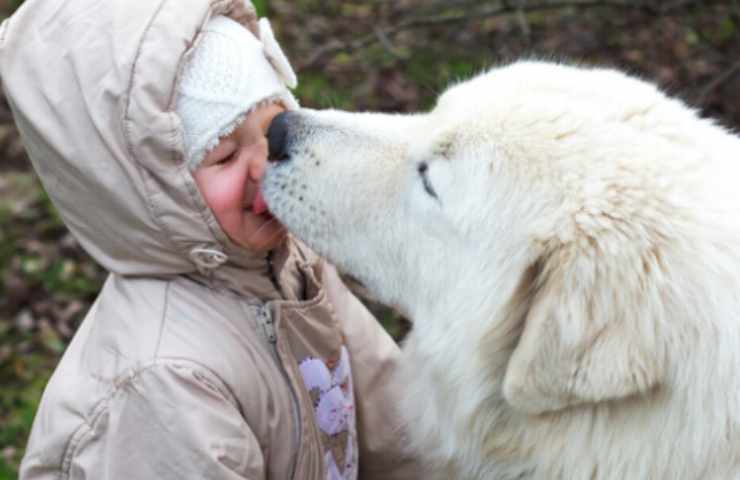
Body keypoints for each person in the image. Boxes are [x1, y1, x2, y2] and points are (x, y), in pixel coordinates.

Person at [0, 1, 420, 478]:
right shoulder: (161, 383)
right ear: (142, 190)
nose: (263, 166)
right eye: (222, 156)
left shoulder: (294, 264)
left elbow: (399, 426)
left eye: (273, 131)